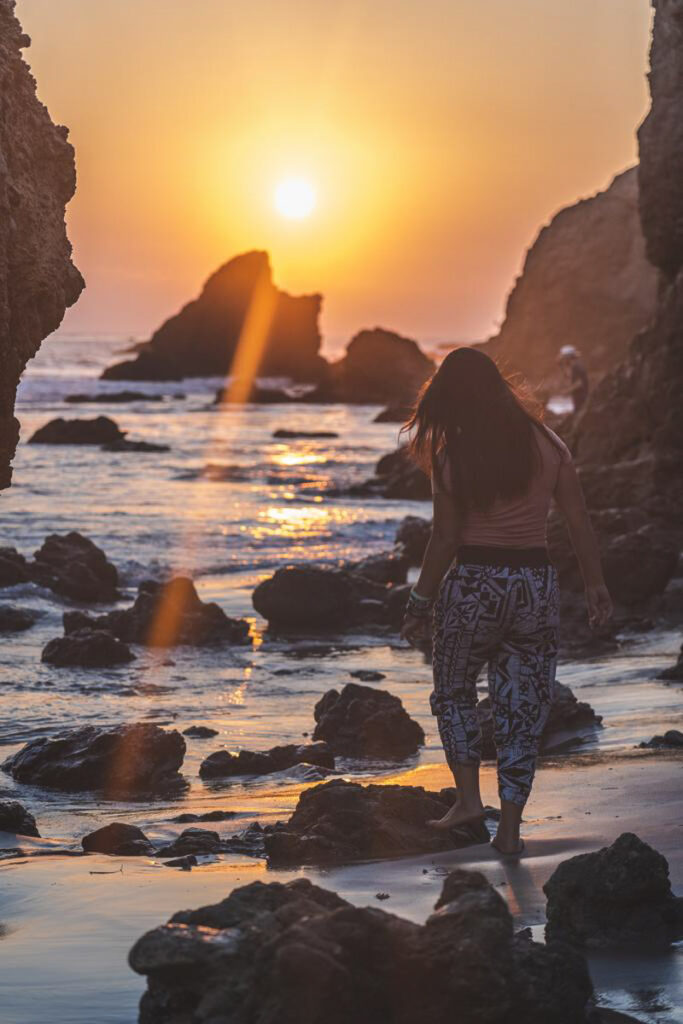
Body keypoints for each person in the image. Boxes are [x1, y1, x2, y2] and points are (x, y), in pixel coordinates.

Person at [400, 347, 612, 857]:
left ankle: (470, 801)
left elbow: (444, 539)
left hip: (472, 584)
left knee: (453, 692)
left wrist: (418, 601)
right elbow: (578, 521)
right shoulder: (549, 444)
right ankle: (511, 829)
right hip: (534, 586)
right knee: (524, 707)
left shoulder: (453, 455)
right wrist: (595, 585)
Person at [557, 344, 589, 413]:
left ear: (568, 357)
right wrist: (561, 366)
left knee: (579, 412)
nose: (563, 360)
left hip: (581, 397)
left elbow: (579, 383)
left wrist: (567, 391)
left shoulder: (577, 366)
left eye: (564, 358)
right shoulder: (575, 365)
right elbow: (568, 377)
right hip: (579, 397)